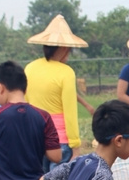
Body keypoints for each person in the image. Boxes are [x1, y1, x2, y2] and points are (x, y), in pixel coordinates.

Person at [24, 15, 89, 165]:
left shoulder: (30, 68)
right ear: (65, 48)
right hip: (59, 141)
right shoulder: (66, 72)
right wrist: (75, 146)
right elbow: (70, 112)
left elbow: (25, 105)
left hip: (35, 137)